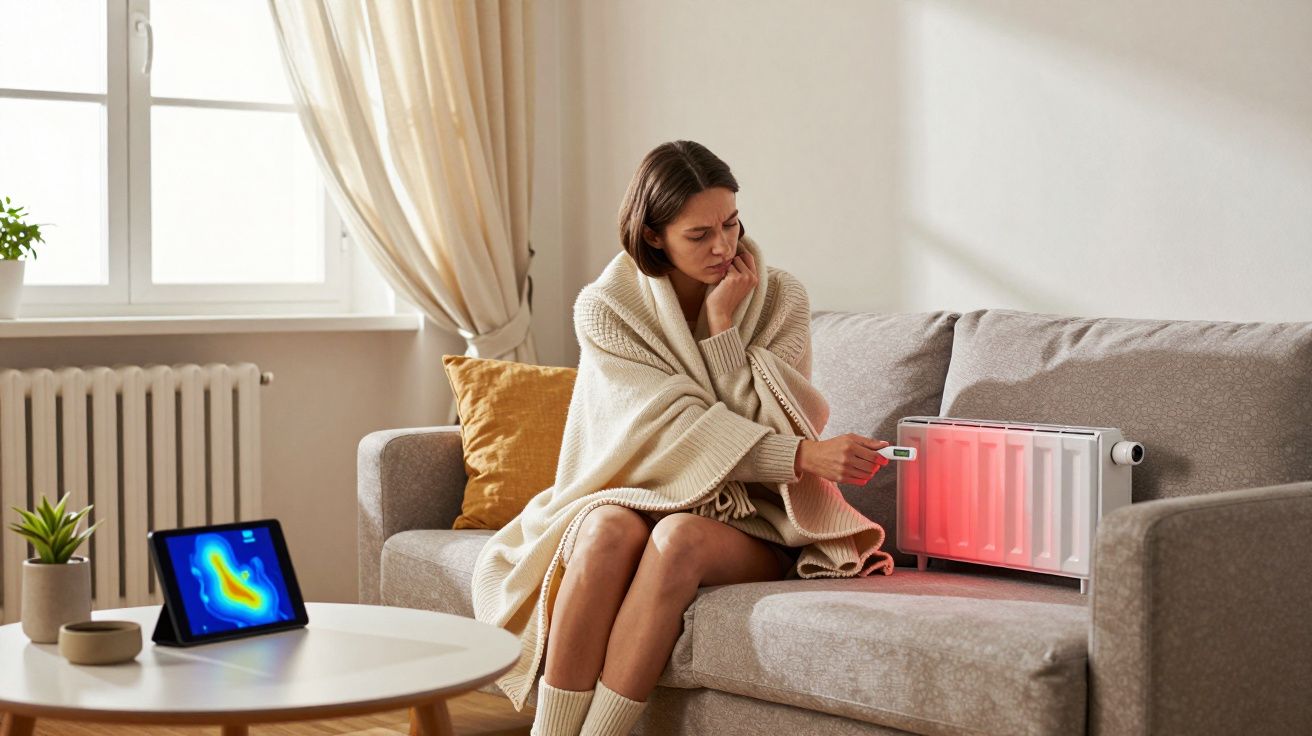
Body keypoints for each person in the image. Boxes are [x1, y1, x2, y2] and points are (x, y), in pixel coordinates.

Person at [526, 140, 893, 736]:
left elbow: (775, 422)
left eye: (732, 223)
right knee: (602, 530)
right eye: (699, 235)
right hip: (642, 493)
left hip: (757, 520)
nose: (724, 247)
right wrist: (802, 455)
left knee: (680, 540)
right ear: (653, 236)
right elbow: (666, 428)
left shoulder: (781, 299)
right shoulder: (606, 309)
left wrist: (723, 330)